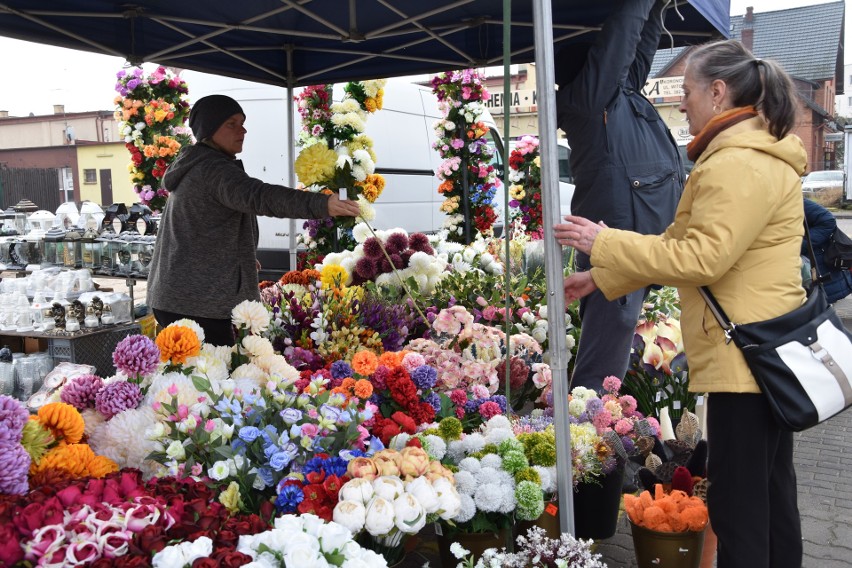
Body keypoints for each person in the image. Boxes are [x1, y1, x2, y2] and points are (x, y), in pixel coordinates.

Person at [555, 40, 806, 568]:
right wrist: (602, 278)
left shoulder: (736, 163)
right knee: (771, 498)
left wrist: (602, 240)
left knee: (741, 509)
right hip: (762, 353)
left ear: (718, 93)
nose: (682, 103)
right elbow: (676, 242)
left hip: (745, 360)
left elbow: (701, 257)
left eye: (687, 91)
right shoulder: (742, 155)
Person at [147, 94, 360, 346]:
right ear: (209, 130)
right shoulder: (213, 170)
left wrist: (239, 258)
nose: (243, 130)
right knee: (213, 380)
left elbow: (202, 229)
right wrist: (322, 204)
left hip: (178, 295)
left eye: (242, 122)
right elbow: (260, 196)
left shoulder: (198, 164)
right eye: (232, 124)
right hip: (197, 304)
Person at [555, 0, 684, 393]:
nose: (618, 67)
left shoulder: (619, 96)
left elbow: (637, 50)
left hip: (631, 239)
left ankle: (597, 422)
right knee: (603, 357)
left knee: (612, 349)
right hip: (614, 241)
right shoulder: (589, 100)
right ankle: (586, 429)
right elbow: (619, 43)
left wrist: (657, 8)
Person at [803, 198, 852, 303]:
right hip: (813, 272)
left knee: (821, 310)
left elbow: (828, 221)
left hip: (820, 269)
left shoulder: (793, 199)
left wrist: (798, 245)